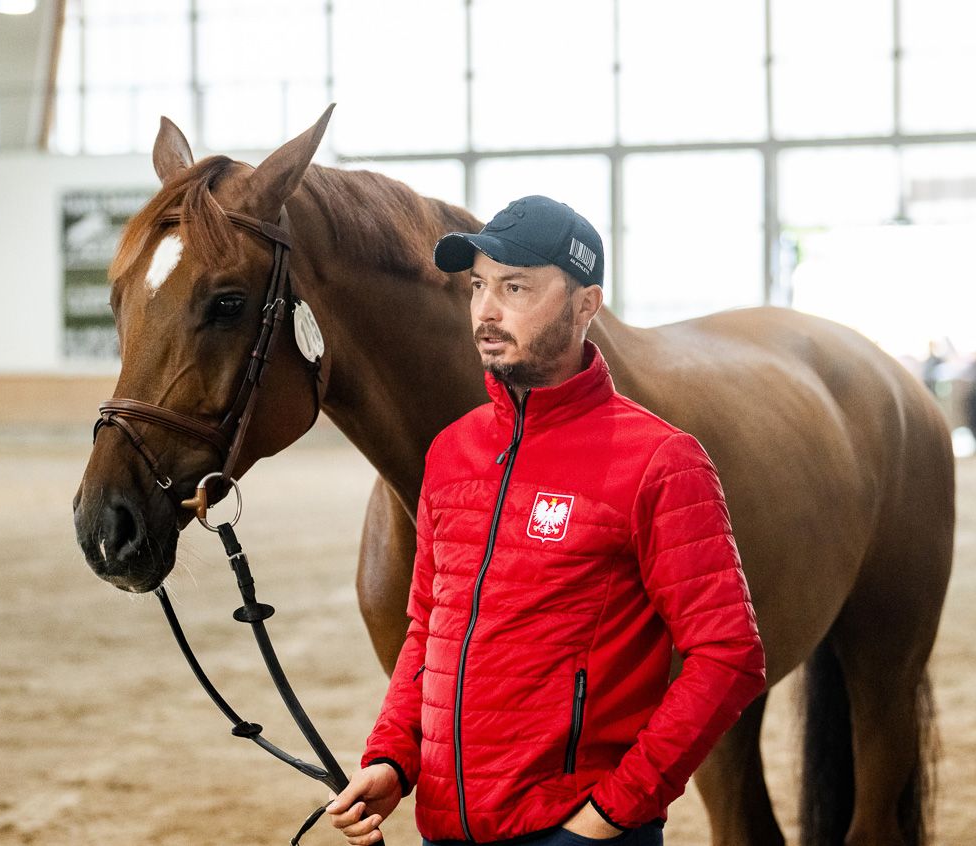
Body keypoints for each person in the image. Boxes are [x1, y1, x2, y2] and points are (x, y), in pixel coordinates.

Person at [327, 196, 766, 846]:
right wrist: (393, 757)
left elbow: (730, 655)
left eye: (515, 287)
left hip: (577, 831)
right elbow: (428, 626)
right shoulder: (451, 453)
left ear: (586, 305)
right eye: (478, 286)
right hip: (445, 828)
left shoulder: (660, 460)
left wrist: (611, 815)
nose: (486, 310)